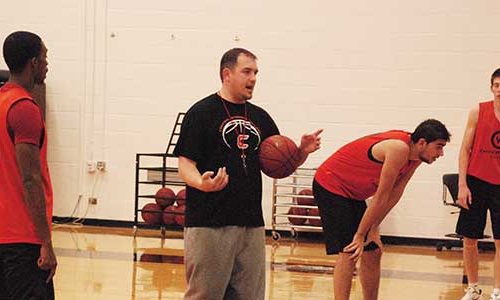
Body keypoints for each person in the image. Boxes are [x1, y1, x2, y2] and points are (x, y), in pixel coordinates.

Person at [174, 47, 322, 300]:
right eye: (247, 72)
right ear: (227, 74)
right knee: (206, 295)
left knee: (250, 296)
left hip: (251, 223)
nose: (253, 78)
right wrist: (201, 183)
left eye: (256, 72)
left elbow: (280, 167)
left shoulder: (261, 117)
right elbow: (185, 163)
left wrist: (301, 153)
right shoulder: (201, 113)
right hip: (210, 222)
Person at [313, 119, 450, 300]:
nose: (441, 153)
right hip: (331, 185)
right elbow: (381, 195)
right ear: (422, 143)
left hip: (352, 194)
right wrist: (361, 234)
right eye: (439, 147)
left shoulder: (416, 156)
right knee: (350, 251)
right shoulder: (398, 149)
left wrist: (374, 227)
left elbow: (396, 192)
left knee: (373, 251)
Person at [0, 31, 57, 299]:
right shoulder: (24, 108)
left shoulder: (2, 102)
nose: (47, 64)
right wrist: (45, 242)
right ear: (34, 62)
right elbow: (30, 178)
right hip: (22, 239)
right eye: (45, 57)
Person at [457, 69, 500, 300]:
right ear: (491, 87)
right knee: (469, 237)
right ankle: (473, 287)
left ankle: (497, 290)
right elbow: (465, 149)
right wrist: (462, 185)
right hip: (476, 181)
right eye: (497, 85)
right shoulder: (478, 110)